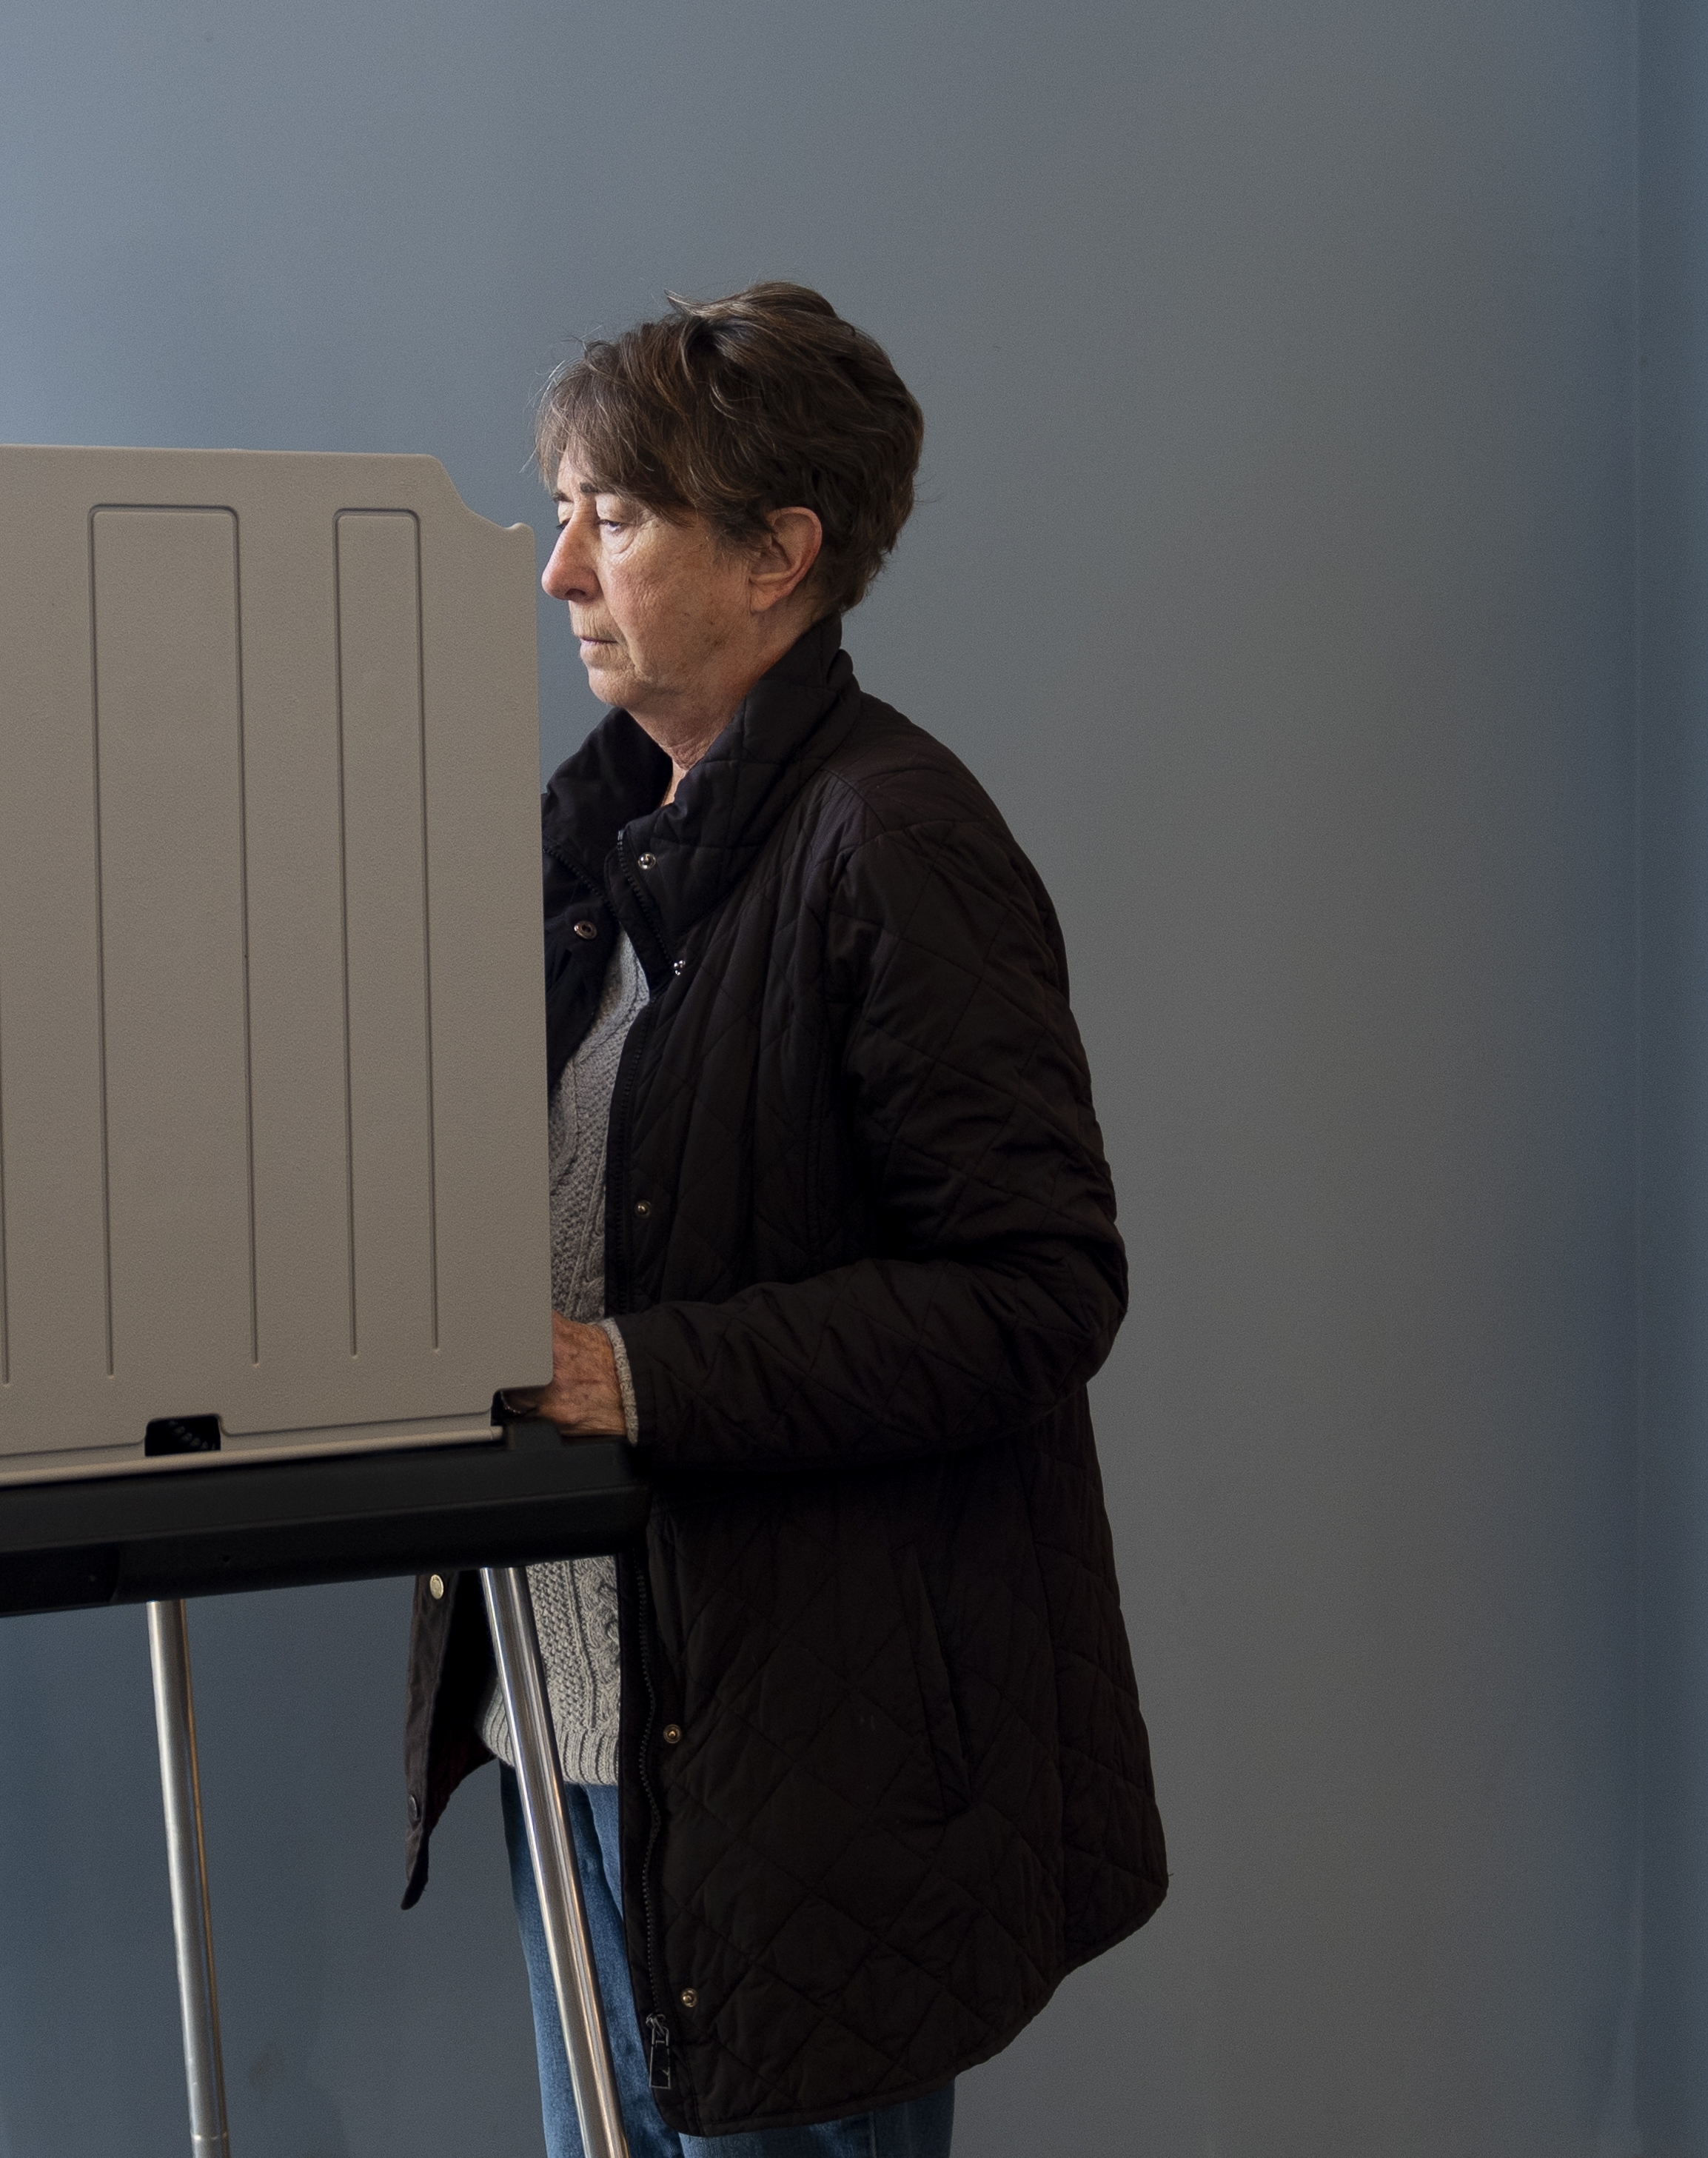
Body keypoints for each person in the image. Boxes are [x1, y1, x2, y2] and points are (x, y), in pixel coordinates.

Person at [401, 284, 1166, 2156]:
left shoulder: (891, 839)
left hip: (796, 1782)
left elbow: (1032, 1291)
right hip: (573, 1729)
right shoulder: (584, 843)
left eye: (620, 516)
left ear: (775, 557)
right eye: (565, 511)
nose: (557, 569)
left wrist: (635, 1373)